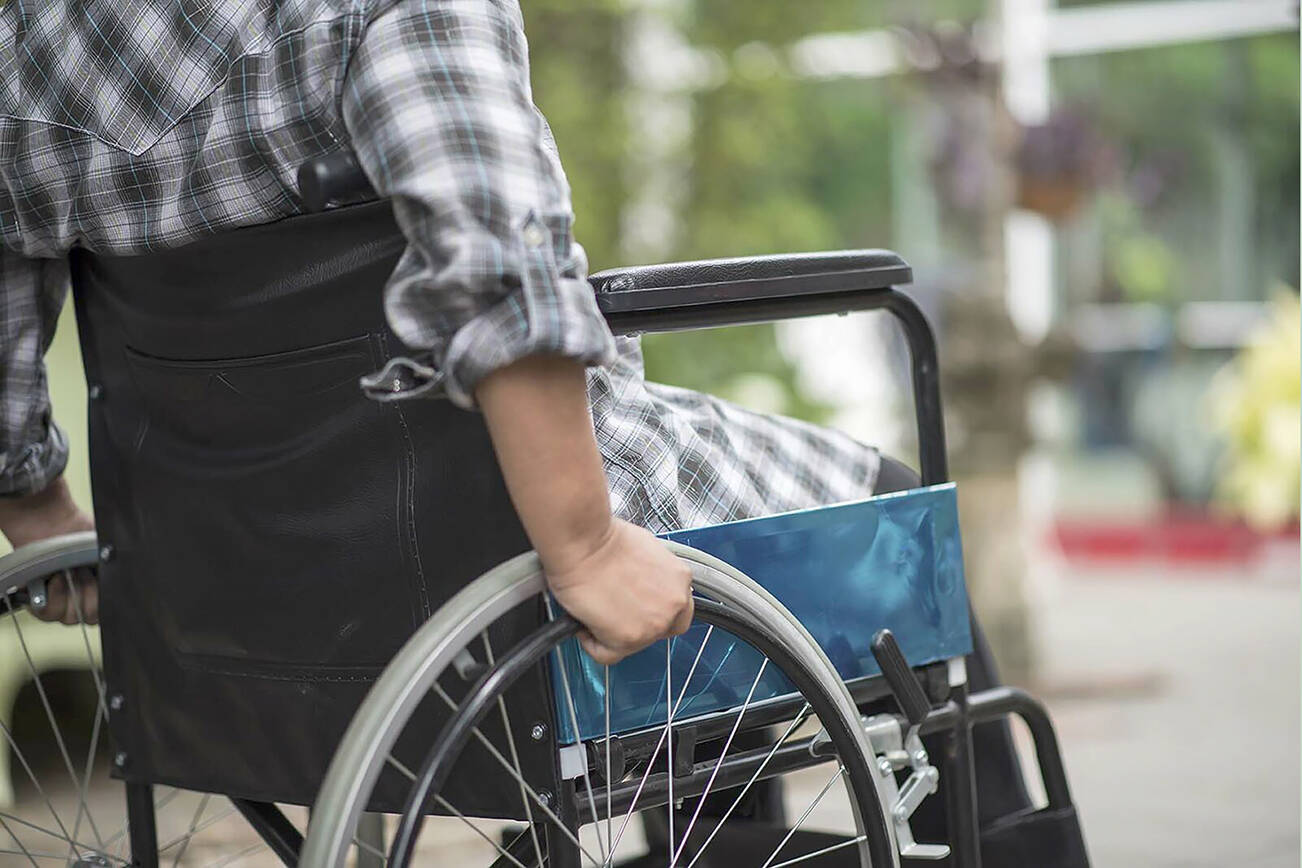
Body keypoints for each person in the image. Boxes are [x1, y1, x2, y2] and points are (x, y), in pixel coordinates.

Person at [0, 2, 1050, 855]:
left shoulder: (35, 35)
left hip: (238, 606)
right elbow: (499, 271)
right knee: (893, 517)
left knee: (722, 650)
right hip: (500, 544)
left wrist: (37, 505)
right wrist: (585, 545)